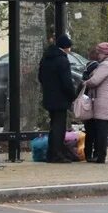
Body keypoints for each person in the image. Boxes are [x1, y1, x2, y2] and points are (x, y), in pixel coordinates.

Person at [38, 34, 77, 163]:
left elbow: (40, 77)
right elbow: (67, 83)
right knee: (59, 127)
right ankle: (56, 154)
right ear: (66, 47)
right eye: (69, 47)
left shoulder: (46, 58)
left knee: (54, 125)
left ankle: (52, 153)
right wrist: (73, 96)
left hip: (49, 96)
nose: (69, 50)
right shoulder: (62, 60)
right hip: (61, 98)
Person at [80, 46, 101, 161]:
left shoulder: (86, 68)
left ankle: (87, 154)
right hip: (95, 101)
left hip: (86, 102)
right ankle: (96, 153)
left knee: (89, 131)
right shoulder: (97, 67)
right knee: (97, 130)